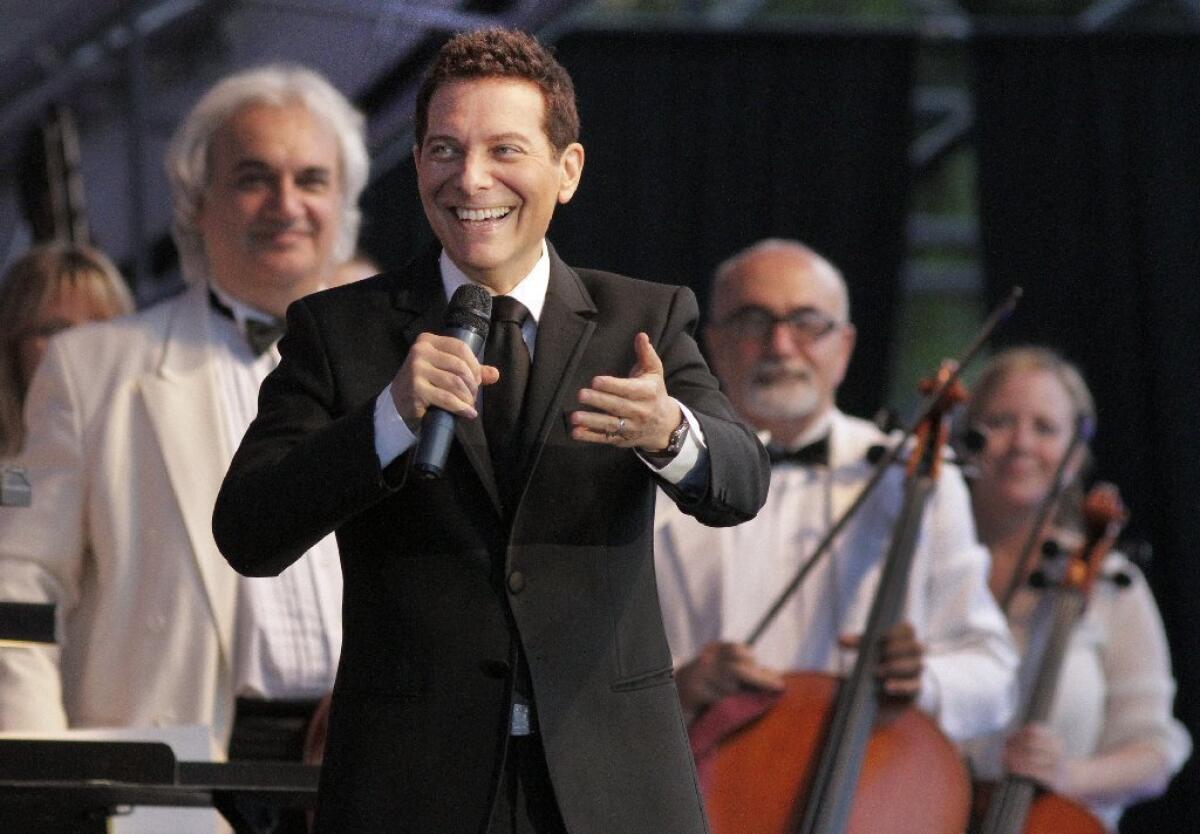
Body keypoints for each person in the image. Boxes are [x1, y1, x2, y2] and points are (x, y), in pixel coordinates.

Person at [213, 28, 770, 834]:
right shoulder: (341, 331)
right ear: (416, 167)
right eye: (445, 149)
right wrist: (387, 419)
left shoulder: (643, 320)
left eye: (505, 149)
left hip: (608, 786)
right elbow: (248, 530)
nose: (470, 178)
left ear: (565, 170)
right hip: (409, 788)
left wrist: (669, 431)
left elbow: (742, 481)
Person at [0, 63, 368, 780]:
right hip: (168, 775)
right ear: (197, 202)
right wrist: (40, 772)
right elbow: (18, 585)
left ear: (344, 207)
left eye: (312, 180)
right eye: (253, 177)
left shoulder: (401, 370)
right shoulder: (92, 370)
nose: (285, 204)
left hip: (365, 765)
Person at [655, 238, 1017, 745]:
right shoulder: (660, 473)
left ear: (844, 347)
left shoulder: (912, 476)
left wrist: (925, 682)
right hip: (702, 790)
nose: (781, 346)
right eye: (754, 321)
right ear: (714, 344)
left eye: (807, 323)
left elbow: (994, 675)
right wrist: (681, 686)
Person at [961, 346, 1190, 831]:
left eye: (1045, 428)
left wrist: (1068, 775)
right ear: (969, 436)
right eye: (1002, 421)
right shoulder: (931, 566)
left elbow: (1154, 751)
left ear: (1075, 454)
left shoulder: (1112, 583)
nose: (1021, 443)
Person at [0, 242, 133, 458]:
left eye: (99, 327)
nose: (79, 346)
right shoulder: (13, 479)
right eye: (57, 330)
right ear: (12, 347)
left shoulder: (153, 452)